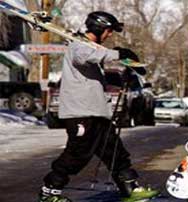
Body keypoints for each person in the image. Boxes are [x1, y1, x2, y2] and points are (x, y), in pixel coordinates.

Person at [39, 11, 158, 202]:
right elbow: (86, 57)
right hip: (80, 113)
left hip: (96, 112)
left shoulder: (91, 47)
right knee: (77, 154)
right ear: (99, 27)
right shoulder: (78, 45)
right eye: (109, 31)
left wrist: (125, 73)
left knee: (114, 151)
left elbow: (94, 67)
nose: (110, 35)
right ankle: (49, 192)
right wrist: (119, 54)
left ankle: (130, 189)